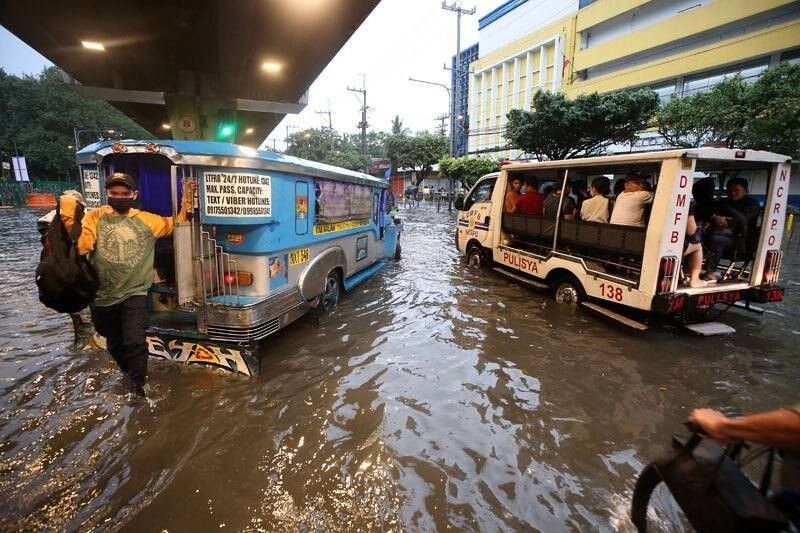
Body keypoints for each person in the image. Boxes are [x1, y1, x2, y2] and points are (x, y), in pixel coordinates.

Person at [59, 172, 194, 397]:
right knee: (112, 341)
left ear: (134, 194)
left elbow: (178, 223)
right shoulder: (94, 217)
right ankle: (128, 372)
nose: (119, 197)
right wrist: (68, 216)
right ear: (107, 193)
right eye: (114, 193)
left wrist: (187, 196)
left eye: (124, 193)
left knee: (135, 342)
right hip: (101, 295)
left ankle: (137, 389)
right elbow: (82, 247)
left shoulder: (148, 220)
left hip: (135, 293)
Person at [703, 177, 760, 281]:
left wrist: (725, 220)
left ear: (746, 191)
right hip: (720, 233)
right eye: (730, 191)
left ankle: (710, 272)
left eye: (736, 190)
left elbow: (742, 220)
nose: (732, 193)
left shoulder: (752, 204)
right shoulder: (723, 202)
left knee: (717, 238)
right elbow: (709, 213)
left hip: (741, 241)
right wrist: (713, 218)